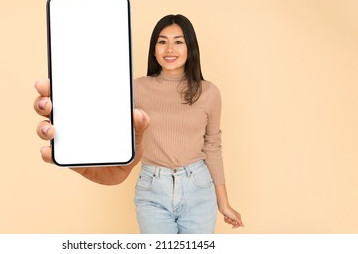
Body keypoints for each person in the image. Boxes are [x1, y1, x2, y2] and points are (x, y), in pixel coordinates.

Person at [34, 14, 244, 233]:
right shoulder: (137, 89)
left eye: (178, 41)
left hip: (198, 189)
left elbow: (212, 146)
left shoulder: (209, 92)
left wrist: (223, 203)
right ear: (154, 50)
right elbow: (104, 120)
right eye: (162, 42)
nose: (169, 48)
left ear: (190, 47)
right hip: (152, 189)